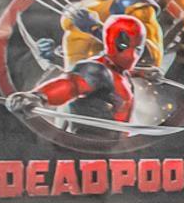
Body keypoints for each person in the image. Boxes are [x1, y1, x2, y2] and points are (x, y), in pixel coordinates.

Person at [8, 14, 147, 125]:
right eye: (126, 46)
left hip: (117, 148)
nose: (133, 54)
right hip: (92, 144)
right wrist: (39, 97)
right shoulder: (96, 70)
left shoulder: (121, 72)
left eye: (138, 48)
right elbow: (72, 84)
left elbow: (119, 75)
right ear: (112, 42)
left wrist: (144, 73)